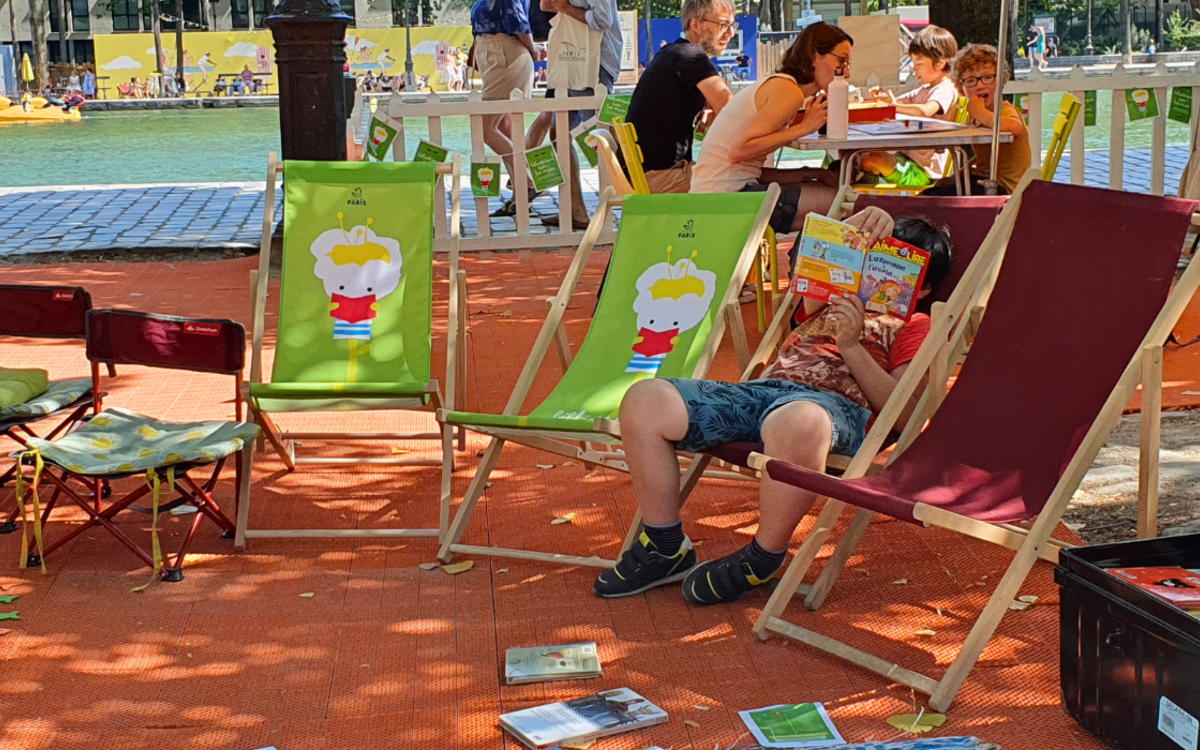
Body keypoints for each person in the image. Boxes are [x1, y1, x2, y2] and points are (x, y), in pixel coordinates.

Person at [591, 207, 954, 603]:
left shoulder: (915, 324)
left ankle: (762, 558)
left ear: (922, 288)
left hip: (834, 409)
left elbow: (905, 414)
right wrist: (858, 225)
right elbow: (821, 253)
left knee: (798, 421)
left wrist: (851, 346)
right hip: (763, 393)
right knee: (646, 399)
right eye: (870, 260)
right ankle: (664, 545)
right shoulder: (825, 301)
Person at [690, 22, 848, 236]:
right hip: (726, 201)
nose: (846, 72)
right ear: (814, 56)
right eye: (841, 60)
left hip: (712, 196)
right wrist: (804, 127)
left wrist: (814, 173)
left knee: (835, 194)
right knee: (845, 202)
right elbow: (740, 151)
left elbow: (750, 170)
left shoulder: (780, 85)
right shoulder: (788, 92)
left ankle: (804, 257)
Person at [625, 0, 737, 194]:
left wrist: (705, 107)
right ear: (696, 25)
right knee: (752, 187)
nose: (731, 33)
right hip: (662, 178)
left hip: (644, 174)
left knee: (759, 180)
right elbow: (734, 111)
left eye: (732, 25)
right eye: (723, 24)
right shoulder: (691, 56)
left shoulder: (672, 53)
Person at [534, 0, 622, 230]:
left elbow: (603, 18)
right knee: (560, 134)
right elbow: (546, 6)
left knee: (602, 135)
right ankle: (576, 211)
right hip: (571, 60)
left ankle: (641, 196)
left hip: (593, 62)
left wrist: (565, 8)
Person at [859, 25, 959, 188]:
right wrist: (885, 99)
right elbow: (901, 103)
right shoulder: (924, 89)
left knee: (872, 160)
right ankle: (865, 176)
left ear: (940, 63)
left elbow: (925, 110)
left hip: (924, 171)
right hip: (907, 159)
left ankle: (867, 178)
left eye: (919, 63)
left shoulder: (945, 89)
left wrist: (893, 106)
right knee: (864, 157)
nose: (914, 68)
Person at [926, 44, 1031, 196]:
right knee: (932, 192)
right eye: (971, 80)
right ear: (961, 88)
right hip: (982, 178)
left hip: (1003, 187)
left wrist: (979, 111)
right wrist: (959, 174)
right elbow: (982, 159)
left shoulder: (1004, 110)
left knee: (930, 198)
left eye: (988, 78)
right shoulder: (974, 117)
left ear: (1001, 80)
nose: (980, 85)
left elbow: (1015, 127)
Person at [472, 0, 542, 212]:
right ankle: (520, 195)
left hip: (504, 54)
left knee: (486, 127)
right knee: (503, 127)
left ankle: (527, 180)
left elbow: (518, 20)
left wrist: (533, 49)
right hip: (497, 53)